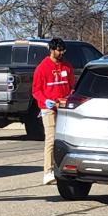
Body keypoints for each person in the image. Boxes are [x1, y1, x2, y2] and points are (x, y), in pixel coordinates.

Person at [31, 37, 75, 185]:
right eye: (59, 50)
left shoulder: (67, 67)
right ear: (51, 50)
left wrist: (69, 97)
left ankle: (63, 168)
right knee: (51, 138)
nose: (61, 53)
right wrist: (45, 102)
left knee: (64, 139)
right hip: (48, 108)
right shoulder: (42, 68)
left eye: (63, 50)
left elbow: (71, 87)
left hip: (63, 106)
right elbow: (36, 91)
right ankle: (48, 172)